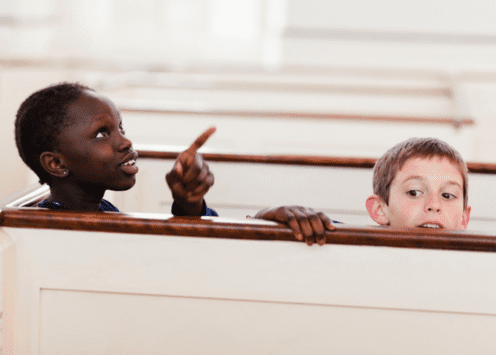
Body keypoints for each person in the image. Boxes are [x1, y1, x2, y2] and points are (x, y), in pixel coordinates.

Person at [14, 82, 217, 216]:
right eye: (102, 133)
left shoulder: (100, 210)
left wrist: (188, 204)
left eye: (120, 128)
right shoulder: (55, 231)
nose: (126, 142)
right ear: (56, 163)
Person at [255, 138, 472, 245]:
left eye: (447, 195)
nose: (434, 205)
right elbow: (265, 225)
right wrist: (273, 214)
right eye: (414, 192)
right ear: (379, 209)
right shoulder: (345, 241)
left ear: (464, 217)